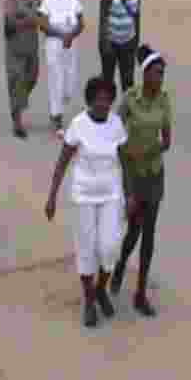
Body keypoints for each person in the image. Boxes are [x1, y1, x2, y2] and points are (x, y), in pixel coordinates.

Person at [45, 76, 128, 328]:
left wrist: (131, 192)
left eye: (107, 99)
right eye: (98, 99)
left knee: (110, 247)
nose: (103, 103)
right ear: (90, 100)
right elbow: (62, 162)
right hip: (84, 196)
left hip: (111, 194)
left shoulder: (116, 124)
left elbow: (125, 160)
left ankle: (101, 288)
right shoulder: (78, 125)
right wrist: (52, 197)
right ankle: (89, 300)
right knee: (87, 247)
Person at [111, 45, 172, 317]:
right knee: (133, 230)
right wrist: (123, 152)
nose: (160, 78)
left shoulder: (164, 100)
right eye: (156, 73)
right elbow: (112, 127)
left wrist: (154, 150)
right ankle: (121, 263)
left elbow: (167, 140)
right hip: (132, 174)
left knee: (150, 233)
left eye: (162, 74)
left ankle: (140, 293)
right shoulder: (129, 99)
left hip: (154, 174)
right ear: (145, 73)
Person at [39, 0, 84, 137]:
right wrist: (60, 34)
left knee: (69, 85)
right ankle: (56, 118)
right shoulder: (47, 1)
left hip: (71, 44)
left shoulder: (73, 0)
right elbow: (43, 24)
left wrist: (71, 35)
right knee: (56, 80)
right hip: (54, 44)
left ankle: (59, 108)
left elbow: (81, 23)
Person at [4, 0, 45, 139]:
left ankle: (18, 103)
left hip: (32, 48)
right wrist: (28, 21)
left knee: (33, 77)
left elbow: (44, 16)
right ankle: (17, 121)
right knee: (17, 81)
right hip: (15, 49)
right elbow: (10, 23)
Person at [98, 0, 141, 93]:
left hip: (129, 42)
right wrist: (104, 46)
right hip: (111, 43)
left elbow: (137, 16)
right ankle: (106, 111)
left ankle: (126, 113)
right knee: (107, 82)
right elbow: (103, 20)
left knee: (128, 82)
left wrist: (136, 40)